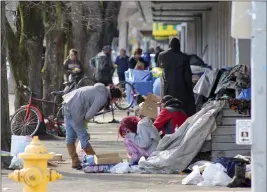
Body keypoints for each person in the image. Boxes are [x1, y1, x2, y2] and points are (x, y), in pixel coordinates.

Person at [63, 83, 122, 169]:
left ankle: (75, 162)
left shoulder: (101, 90)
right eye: (115, 100)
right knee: (83, 136)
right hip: (76, 111)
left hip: (67, 105)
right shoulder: (102, 97)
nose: (114, 103)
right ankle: (95, 161)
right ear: (113, 97)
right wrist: (85, 121)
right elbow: (89, 114)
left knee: (70, 137)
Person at [157, 37, 196, 117]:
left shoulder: (161, 55)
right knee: (181, 109)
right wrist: (190, 90)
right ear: (179, 45)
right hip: (182, 89)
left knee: (168, 108)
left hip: (167, 89)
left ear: (169, 45)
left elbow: (158, 73)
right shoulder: (184, 57)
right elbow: (188, 76)